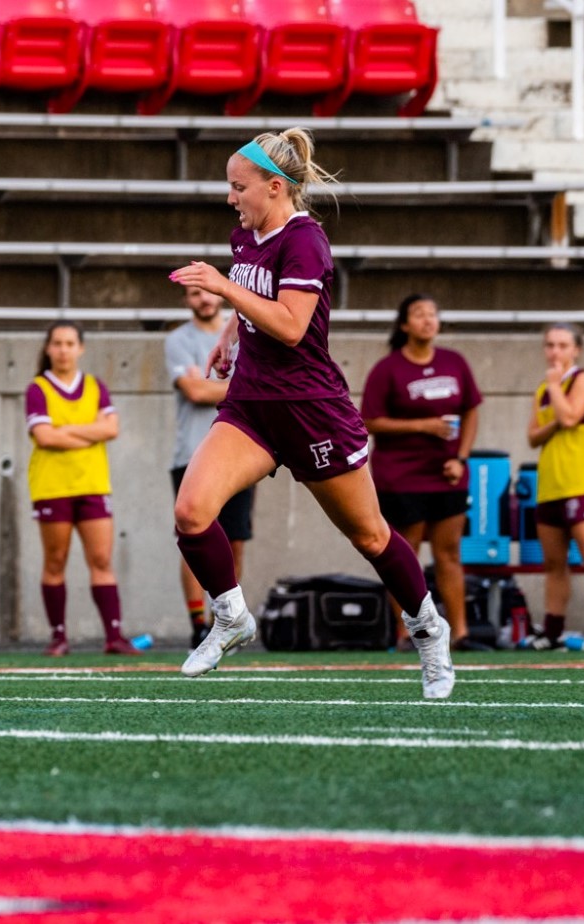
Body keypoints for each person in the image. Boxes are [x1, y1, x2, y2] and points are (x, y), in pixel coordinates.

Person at [167, 128, 455, 699]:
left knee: (371, 537)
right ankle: (230, 618)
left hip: (310, 411)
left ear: (275, 188)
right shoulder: (245, 234)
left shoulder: (305, 242)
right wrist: (230, 334)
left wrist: (224, 291)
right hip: (251, 405)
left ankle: (429, 631)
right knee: (191, 513)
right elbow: (256, 297)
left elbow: (293, 327)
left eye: (238, 187)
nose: (231, 198)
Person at [360, 294, 486, 652]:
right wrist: (424, 426)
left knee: (449, 554)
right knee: (406, 554)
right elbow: (370, 421)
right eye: (419, 314)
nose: (428, 320)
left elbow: (471, 410)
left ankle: (460, 634)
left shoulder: (454, 362)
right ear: (404, 325)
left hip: (446, 474)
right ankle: (409, 635)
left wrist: (461, 457)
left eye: (433, 314)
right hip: (401, 477)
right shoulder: (388, 369)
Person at [25, 321, 139, 656]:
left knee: (102, 558)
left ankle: (113, 637)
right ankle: (58, 636)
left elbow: (113, 429)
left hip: (92, 484)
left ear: (81, 348)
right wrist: (91, 430)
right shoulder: (38, 388)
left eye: (70, 343)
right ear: (48, 348)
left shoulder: (95, 386)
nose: (63, 349)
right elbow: (44, 437)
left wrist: (66, 431)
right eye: (57, 343)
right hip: (53, 486)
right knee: (56, 560)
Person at [165, 286, 256, 648]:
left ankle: (226, 618)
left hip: (241, 452)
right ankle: (198, 623)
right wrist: (248, 386)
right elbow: (196, 391)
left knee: (234, 542)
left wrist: (225, 385)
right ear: (186, 300)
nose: (202, 299)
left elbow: (208, 387)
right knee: (194, 538)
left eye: (207, 292)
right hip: (192, 452)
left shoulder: (244, 335)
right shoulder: (178, 339)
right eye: (193, 294)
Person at [525, 322, 584, 652]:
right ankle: (552, 631)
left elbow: (569, 418)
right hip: (551, 485)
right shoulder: (543, 388)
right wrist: (550, 394)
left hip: (582, 482)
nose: (555, 352)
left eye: (563, 345)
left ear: (576, 349)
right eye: (550, 344)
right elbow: (532, 437)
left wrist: (555, 388)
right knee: (554, 563)